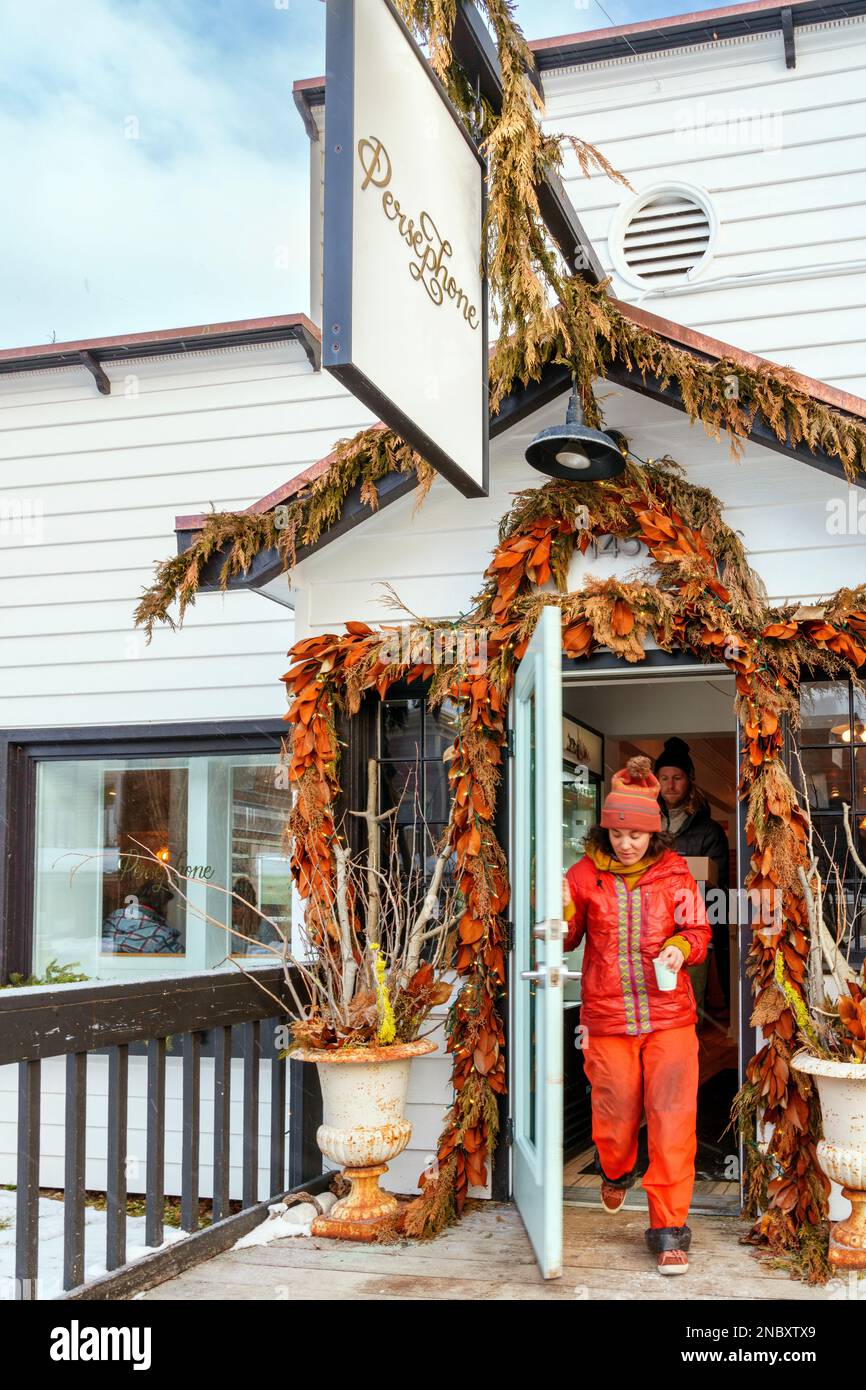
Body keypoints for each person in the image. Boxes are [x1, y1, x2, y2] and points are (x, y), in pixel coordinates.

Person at [563, 755, 711, 1276]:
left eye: (637, 834)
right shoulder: (582, 876)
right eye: (618, 833)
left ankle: (669, 1231)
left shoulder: (674, 874)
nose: (626, 843)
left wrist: (678, 947)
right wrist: (552, 913)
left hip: (669, 1017)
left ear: (653, 833)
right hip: (607, 1019)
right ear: (606, 829)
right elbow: (565, 938)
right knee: (615, 1116)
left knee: (672, 1120)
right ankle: (615, 1167)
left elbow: (698, 933)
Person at [654, 737, 731, 1013]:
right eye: (663, 778)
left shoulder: (709, 830)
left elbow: (715, 883)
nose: (670, 785)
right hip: (651, 931)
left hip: (691, 929)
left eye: (677, 777)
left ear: (689, 781)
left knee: (687, 1007)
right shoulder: (646, 823)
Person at [101, 878, 183, 954]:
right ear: (162, 905)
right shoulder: (160, 936)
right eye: (167, 905)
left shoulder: (110, 921)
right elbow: (187, 962)